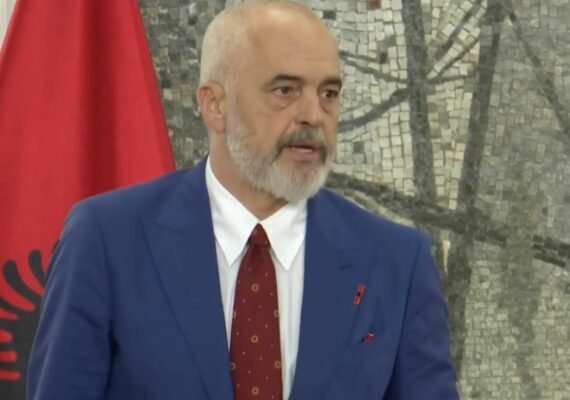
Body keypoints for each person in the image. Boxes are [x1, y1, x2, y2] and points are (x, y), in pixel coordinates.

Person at [27, 1, 460, 399]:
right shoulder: (107, 240)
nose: (314, 115)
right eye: (285, 90)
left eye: (329, 93)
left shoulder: (397, 262)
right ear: (215, 105)